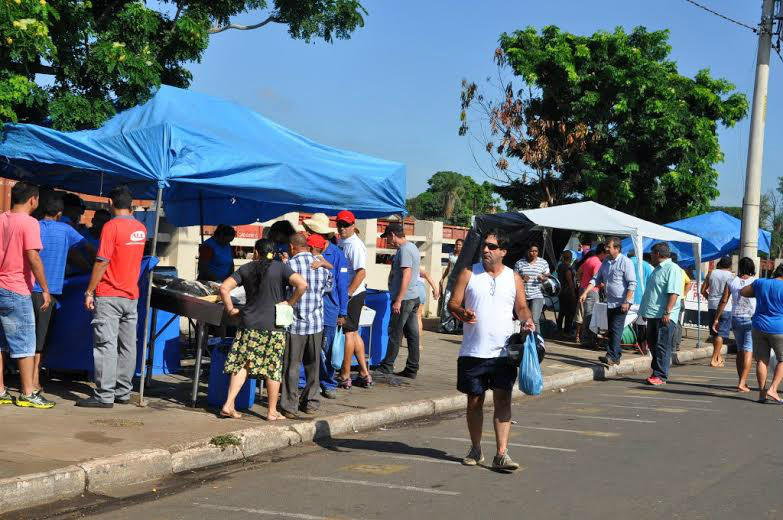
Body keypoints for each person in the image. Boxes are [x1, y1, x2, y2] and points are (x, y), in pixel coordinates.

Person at [448, 229, 534, 472]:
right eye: (485, 246)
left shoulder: (513, 277)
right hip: (472, 350)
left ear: (503, 252)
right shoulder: (469, 273)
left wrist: (527, 320)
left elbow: (522, 307)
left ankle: (501, 453)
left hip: (503, 353)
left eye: (492, 247)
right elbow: (452, 303)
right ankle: (475, 449)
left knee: (503, 400)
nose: (485, 250)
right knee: (474, 402)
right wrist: (462, 312)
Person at [218, 239, 307, 419]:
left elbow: (224, 288)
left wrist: (230, 310)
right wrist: (289, 303)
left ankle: (228, 404)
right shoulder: (281, 268)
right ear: (274, 253)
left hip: (248, 324)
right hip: (274, 325)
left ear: (256, 252)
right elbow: (302, 285)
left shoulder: (247, 268)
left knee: (242, 364)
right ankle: (272, 411)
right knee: (272, 367)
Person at [77, 185, 147, 408]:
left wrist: (89, 291)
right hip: (131, 295)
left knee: (106, 345)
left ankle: (104, 396)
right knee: (128, 345)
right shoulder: (141, 228)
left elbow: (102, 261)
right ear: (132, 204)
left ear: (110, 203)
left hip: (109, 294)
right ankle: (123, 392)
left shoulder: (110, 227)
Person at [0, 181, 54, 409]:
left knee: (0, 344)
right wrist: (45, 288)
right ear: (33, 200)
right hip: (16, 288)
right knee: (25, 344)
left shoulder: (1, 218)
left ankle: (1, 390)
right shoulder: (30, 223)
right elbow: (33, 257)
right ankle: (28, 393)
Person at [32, 192, 90, 396]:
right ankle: (33, 381)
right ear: (59, 212)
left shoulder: (33, 226)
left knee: (24, 338)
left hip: (25, 289)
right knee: (41, 339)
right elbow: (87, 250)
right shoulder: (66, 230)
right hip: (48, 292)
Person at [279, 233, 333, 419]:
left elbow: (282, 291)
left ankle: (289, 406)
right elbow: (328, 288)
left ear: (293, 247)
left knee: (291, 366)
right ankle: (310, 402)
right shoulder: (322, 266)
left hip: (295, 324)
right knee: (313, 364)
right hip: (316, 322)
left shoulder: (290, 266)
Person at [302, 212, 349, 400]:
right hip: (310, 309)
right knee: (307, 346)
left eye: (308, 230)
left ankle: (328, 382)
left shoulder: (337, 255)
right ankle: (303, 382)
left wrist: (343, 311)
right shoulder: (305, 253)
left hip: (330, 309)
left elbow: (342, 284)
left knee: (328, 349)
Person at [580, 237, 636, 366]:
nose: (605, 249)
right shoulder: (606, 261)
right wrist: (585, 292)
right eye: (605, 246)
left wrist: (626, 301)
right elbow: (596, 278)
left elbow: (632, 283)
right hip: (610, 301)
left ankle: (611, 355)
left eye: (608, 247)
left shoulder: (625, 262)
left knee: (616, 328)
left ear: (616, 249)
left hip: (622, 302)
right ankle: (615, 355)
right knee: (611, 329)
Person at [377, 222, 422, 378]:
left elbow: (406, 275)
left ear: (393, 235)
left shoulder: (404, 250)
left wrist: (398, 299)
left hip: (405, 299)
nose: (388, 241)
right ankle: (412, 368)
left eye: (388, 238)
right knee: (412, 334)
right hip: (412, 296)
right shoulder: (411, 247)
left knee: (395, 332)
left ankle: (387, 365)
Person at [335, 210, 372, 388]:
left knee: (348, 333)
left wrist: (348, 293)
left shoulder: (354, 245)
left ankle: (345, 374)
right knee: (354, 333)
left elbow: (361, 272)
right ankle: (364, 373)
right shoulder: (341, 241)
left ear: (353, 226)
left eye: (346, 225)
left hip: (353, 294)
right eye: (339, 224)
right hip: (349, 293)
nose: (342, 228)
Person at [638, 242, 683, 386]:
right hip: (652, 314)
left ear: (657, 254)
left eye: (651, 254)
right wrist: (645, 311)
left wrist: (667, 312)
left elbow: (674, 292)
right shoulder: (657, 269)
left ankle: (661, 375)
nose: (650, 256)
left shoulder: (672, 269)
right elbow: (652, 293)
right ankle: (656, 371)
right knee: (652, 344)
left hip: (664, 315)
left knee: (662, 345)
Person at [740, 264, 783, 404]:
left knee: (762, 360)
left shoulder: (761, 283)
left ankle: (762, 394)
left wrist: (760, 293)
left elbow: (743, 292)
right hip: (779, 328)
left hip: (759, 326)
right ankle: (773, 388)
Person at [713, 257, 756, 393]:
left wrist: (716, 318)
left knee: (739, 350)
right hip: (751, 318)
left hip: (736, 317)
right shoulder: (756, 282)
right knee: (748, 350)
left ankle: (741, 380)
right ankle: (742, 382)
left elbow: (724, 300)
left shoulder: (732, 280)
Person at [702, 256, 734, 368]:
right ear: (730, 265)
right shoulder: (731, 276)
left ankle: (718, 357)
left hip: (712, 306)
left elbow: (703, 291)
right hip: (726, 307)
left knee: (715, 334)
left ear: (719, 263)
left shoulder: (711, 273)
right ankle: (714, 359)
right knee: (721, 334)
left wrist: (710, 299)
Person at [514, 244, 550, 334]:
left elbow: (548, 275)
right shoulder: (520, 263)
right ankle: (523, 339)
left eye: (536, 251)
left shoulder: (543, 262)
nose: (533, 253)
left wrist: (543, 277)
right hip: (523, 295)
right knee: (523, 319)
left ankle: (537, 340)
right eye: (531, 251)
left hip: (537, 294)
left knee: (535, 319)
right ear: (527, 251)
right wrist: (521, 278)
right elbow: (514, 277)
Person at [577, 244, 607, 346]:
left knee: (586, 314)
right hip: (592, 291)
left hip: (583, 289)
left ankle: (585, 338)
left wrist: (582, 282)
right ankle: (587, 340)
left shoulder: (589, 259)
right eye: (606, 253)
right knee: (590, 315)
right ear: (602, 253)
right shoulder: (598, 263)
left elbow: (578, 272)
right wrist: (605, 285)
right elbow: (596, 280)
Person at [629, 251, 654, 354]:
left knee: (623, 323)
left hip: (628, 299)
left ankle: (627, 343)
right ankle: (642, 346)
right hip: (642, 300)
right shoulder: (648, 266)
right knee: (642, 324)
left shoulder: (627, 262)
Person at [669, 253, 691, 352]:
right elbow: (688, 283)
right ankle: (676, 344)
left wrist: (683, 294)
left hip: (676, 299)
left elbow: (688, 283)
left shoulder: (673, 270)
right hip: (680, 299)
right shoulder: (681, 270)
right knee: (677, 322)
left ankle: (673, 345)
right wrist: (684, 294)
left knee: (674, 322)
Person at [556, 250, 577, 338]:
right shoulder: (567, 267)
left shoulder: (560, 266)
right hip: (568, 292)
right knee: (570, 313)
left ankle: (559, 329)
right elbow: (570, 281)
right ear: (570, 257)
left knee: (562, 312)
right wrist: (573, 293)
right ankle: (567, 331)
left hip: (561, 291)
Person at [416, 266, 440, 339]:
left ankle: (399, 341)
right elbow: (426, 274)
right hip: (421, 289)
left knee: (402, 317)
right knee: (418, 316)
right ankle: (418, 343)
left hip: (412, 288)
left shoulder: (406, 263)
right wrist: (435, 289)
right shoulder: (419, 265)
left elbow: (425, 274)